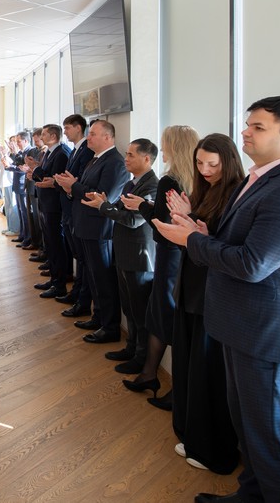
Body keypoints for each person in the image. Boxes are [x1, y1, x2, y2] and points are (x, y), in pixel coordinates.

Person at [156, 96, 280, 503]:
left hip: (268, 338)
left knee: (271, 446)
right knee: (250, 435)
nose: (245, 132)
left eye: (258, 127)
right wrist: (202, 231)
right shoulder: (260, 181)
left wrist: (193, 239)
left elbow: (253, 264)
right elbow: (235, 245)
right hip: (242, 329)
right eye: (248, 124)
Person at [164, 133, 243, 475]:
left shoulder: (237, 193)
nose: (205, 170)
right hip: (191, 288)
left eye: (213, 164)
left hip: (212, 294)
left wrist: (191, 221)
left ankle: (211, 448)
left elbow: (224, 246)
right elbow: (194, 240)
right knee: (187, 368)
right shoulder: (203, 190)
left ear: (229, 162)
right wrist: (184, 221)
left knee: (207, 375)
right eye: (199, 163)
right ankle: (191, 434)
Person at [119, 124, 199, 409]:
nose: (161, 149)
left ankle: (159, 379)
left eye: (164, 144)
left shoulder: (169, 181)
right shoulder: (196, 179)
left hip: (167, 255)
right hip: (182, 257)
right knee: (163, 316)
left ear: (173, 147)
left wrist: (142, 206)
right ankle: (150, 374)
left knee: (163, 317)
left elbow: (161, 227)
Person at [84, 138, 158, 373]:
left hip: (139, 257)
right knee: (129, 307)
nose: (126, 159)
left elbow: (134, 220)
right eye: (126, 154)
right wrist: (106, 204)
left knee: (139, 310)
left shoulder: (152, 186)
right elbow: (121, 210)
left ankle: (141, 358)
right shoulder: (131, 183)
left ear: (146, 159)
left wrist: (103, 207)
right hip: (124, 252)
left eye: (131, 155)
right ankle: (131, 348)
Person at [55, 119, 129, 343]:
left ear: (107, 137)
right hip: (85, 225)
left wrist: (73, 186)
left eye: (93, 134)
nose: (89, 137)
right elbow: (84, 189)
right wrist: (71, 187)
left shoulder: (114, 162)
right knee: (93, 277)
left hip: (99, 229)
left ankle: (110, 327)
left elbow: (104, 197)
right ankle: (98, 318)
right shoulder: (95, 159)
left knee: (103, 280)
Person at [53, 114, 93, 307]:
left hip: (77, 209)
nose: (65, 132)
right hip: (69, 209)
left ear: (78, 128)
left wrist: (67, 185)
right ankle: (76, 293)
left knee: (82, 258)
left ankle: (80, 297)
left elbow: (78, 180)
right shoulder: (77, 150)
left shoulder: (86, 151)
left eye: (67, 128)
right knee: (78, 256)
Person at [27, 125, 69, 294]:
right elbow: (44, 175)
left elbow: (52, 179)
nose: (41, 137)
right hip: (46, 202)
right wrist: (35, 171)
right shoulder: (49, 152)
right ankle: (53, 279)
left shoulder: (61, 153)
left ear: (53, 136)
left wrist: (35, 168)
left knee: (56, 244)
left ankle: (59, 284)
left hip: (54, 205)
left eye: (44, 134)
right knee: (50, 244)